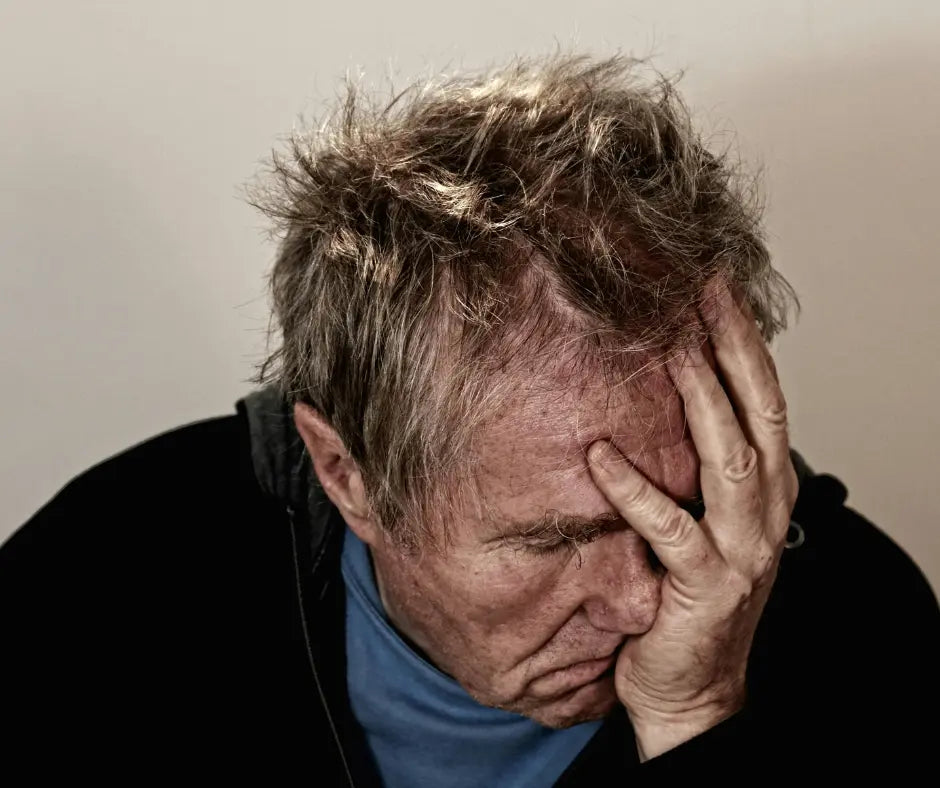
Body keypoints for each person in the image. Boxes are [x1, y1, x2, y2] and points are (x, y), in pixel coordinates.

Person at [2, 53, 937, 785]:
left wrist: (698, 722)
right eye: (551, 538)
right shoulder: (99, 585)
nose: (644, 603)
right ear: (346, 472)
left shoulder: (863, 626)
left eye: (681, 515)